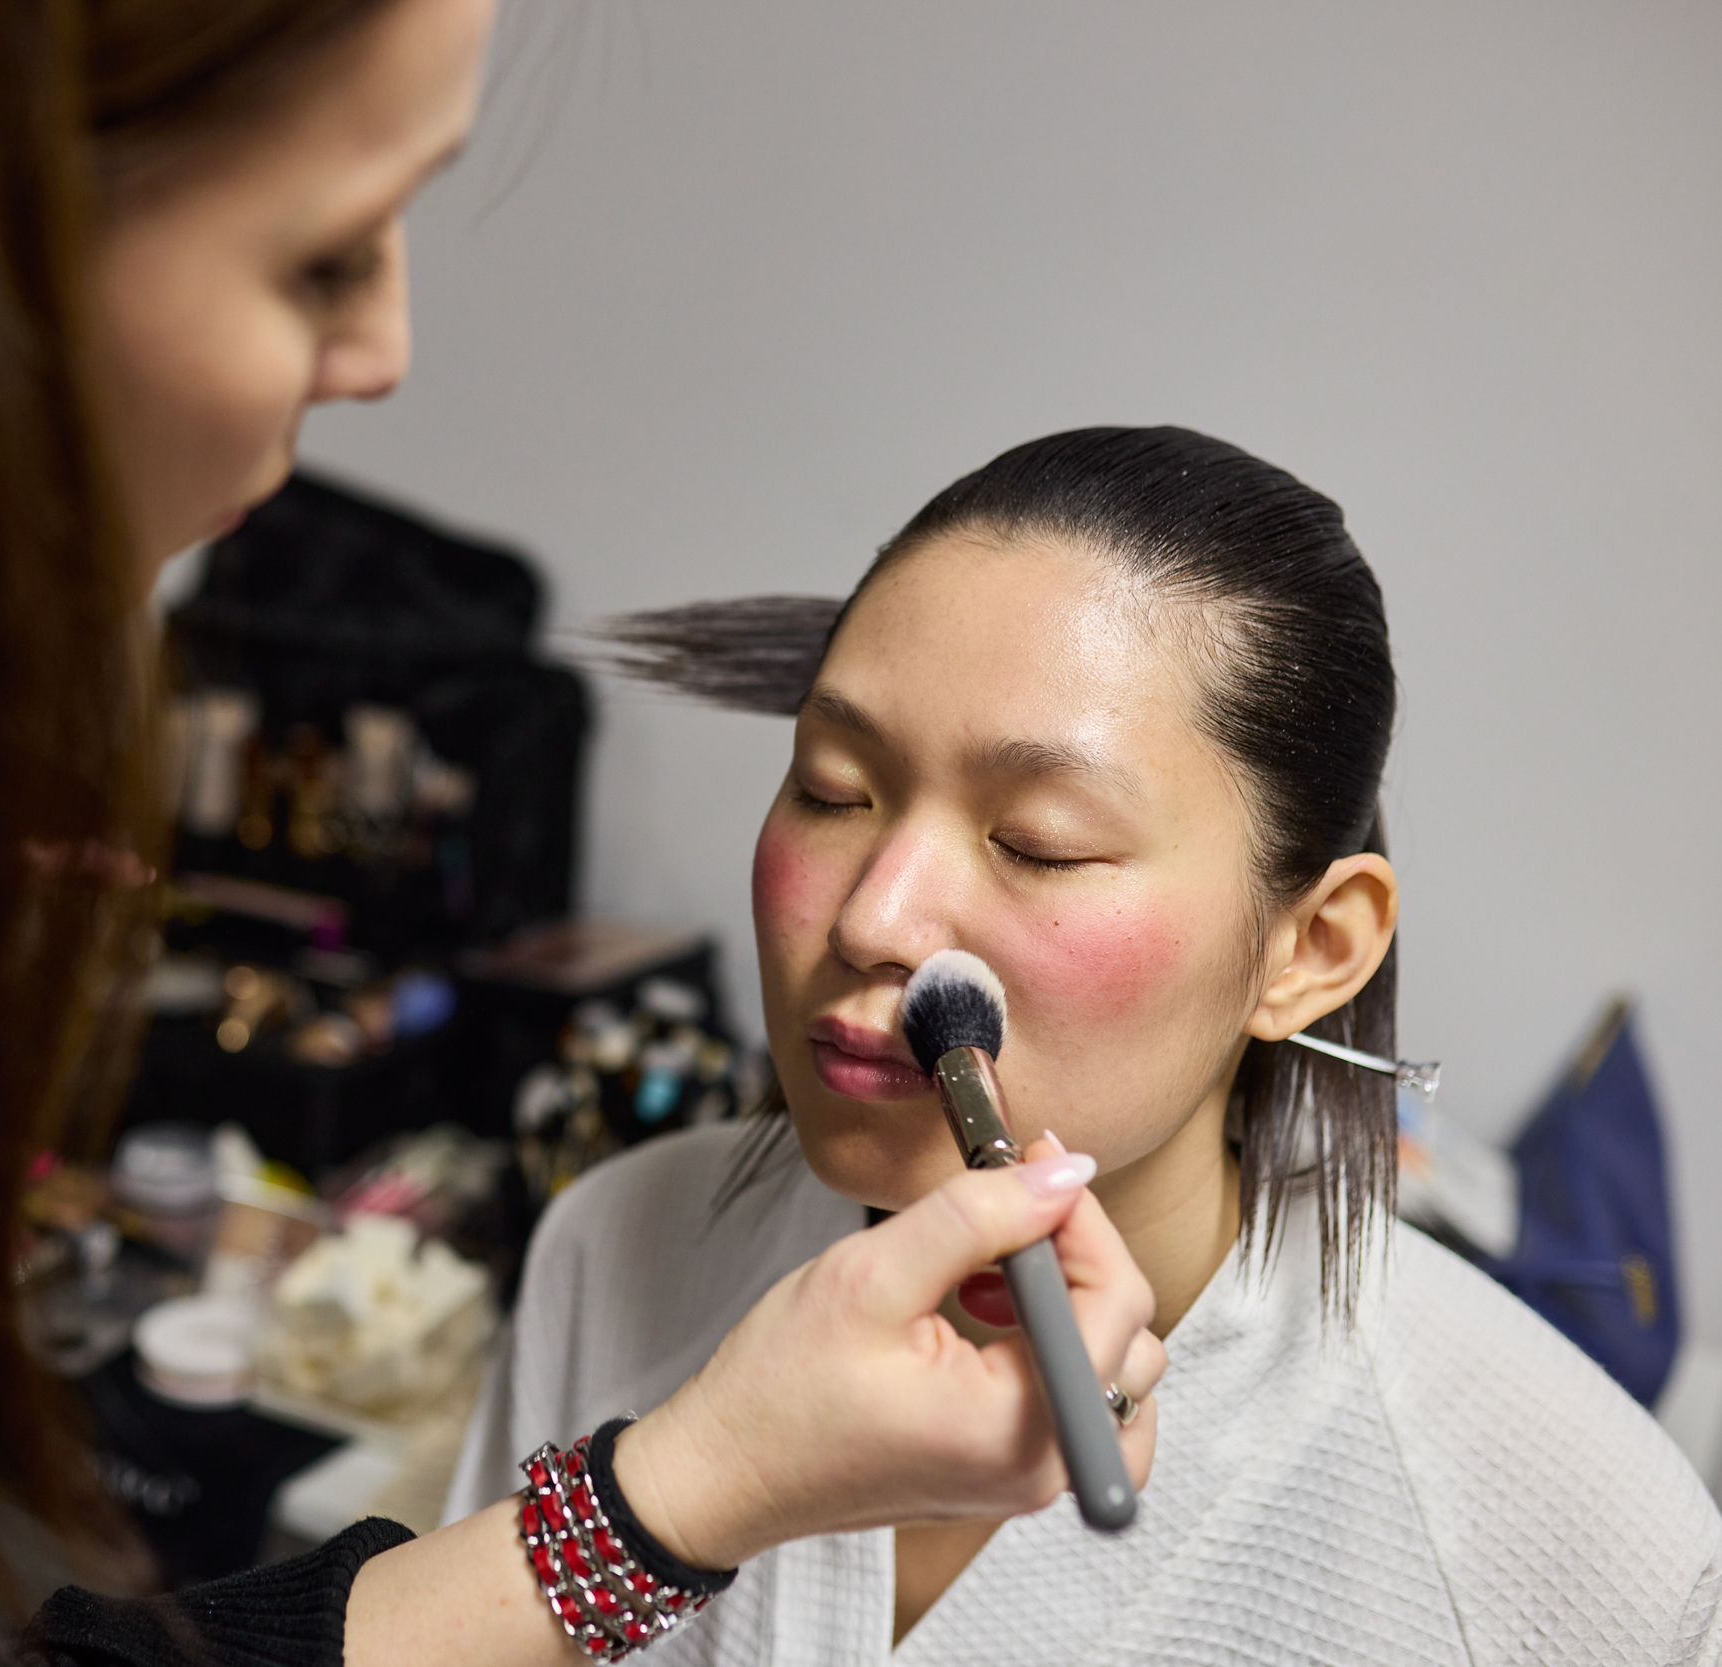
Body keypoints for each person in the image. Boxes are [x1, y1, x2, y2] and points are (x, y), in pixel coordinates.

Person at [0, 3, 1167, 1665]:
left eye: (1045, 840)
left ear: (1319, 939)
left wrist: (689, 1489)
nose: (383, 349)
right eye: (323, 255)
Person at [447, 425, 1722, 1664]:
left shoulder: (1587, 1549)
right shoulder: (613, 1246)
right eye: (834, 789)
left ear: (1311, 947)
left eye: (1040, 842)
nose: (873, 916)